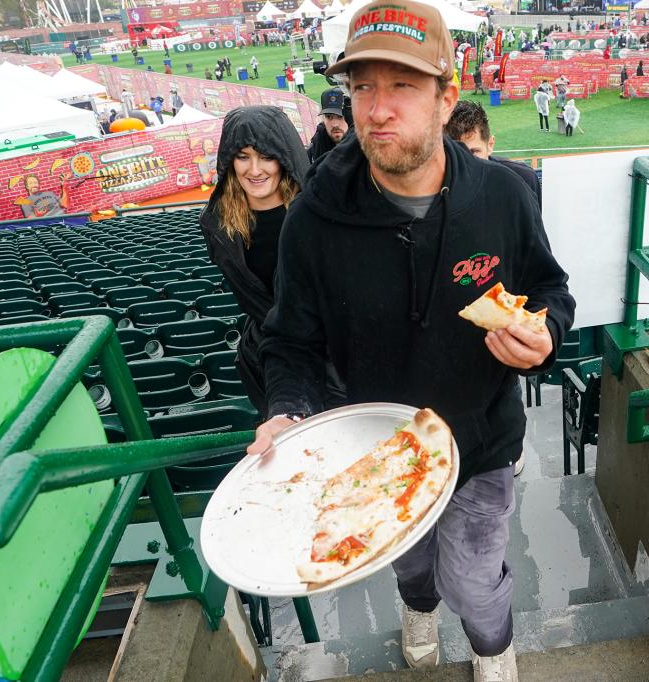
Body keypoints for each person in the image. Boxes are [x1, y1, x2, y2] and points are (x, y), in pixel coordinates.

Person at [248, 2, 574, 680]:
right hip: (383, 449)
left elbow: (550, 290)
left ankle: (493, 648)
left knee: (474, 580)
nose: (376, 108)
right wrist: (287, 408)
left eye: (401, 85)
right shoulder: (313, 218)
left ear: (446, 96)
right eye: (363, 86)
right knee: (414, 566)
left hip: (483, 441)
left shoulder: (504, 195)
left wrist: (545, 336)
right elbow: (291, 344)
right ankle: (418, 610)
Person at [200, 106, 336, 417]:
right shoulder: (218, 223)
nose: (255, 169)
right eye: (243, 156)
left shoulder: (320, 211)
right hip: (270, 362)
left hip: (332, 355)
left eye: (266, 156)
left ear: (284, 156)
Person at [444, 99, 541, 207]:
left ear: (490, 144)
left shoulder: (523, 179)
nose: (463, 162)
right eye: (453, 152)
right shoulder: (432, 190)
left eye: (473, 152)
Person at [306, 87, 351, 163]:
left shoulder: (366, 148)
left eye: (340, 116)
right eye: (329, 117)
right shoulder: (314, 148)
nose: (335, 124)